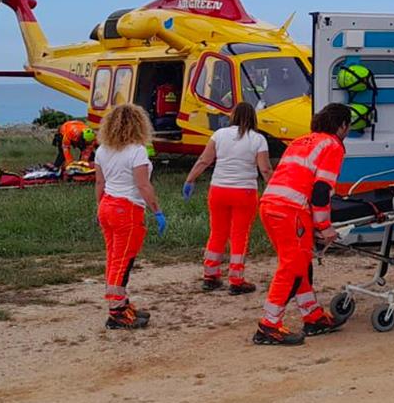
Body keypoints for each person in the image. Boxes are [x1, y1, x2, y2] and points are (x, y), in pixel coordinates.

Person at [251, 102, 352, 346]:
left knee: (299, 262)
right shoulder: (333, 146)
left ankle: (312, 315)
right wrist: (324, 226)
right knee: (292, 267)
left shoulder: (301, 141)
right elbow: (320, 190)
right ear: (342, 126)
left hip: (270, 204)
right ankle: (269, 325)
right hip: (291, 209)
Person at [181, 102, 272, 294]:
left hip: (218, 190)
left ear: (232, 116)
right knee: (239, 234)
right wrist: (273, 188)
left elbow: (204, 160)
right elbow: (264, 168)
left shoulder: (219, 135)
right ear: (253, 118)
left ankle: (210, 275)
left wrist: (190, 179)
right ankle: (236, 280)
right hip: (244, 192)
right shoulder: (257, 139)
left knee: (217, 232)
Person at [92, 103, 167, 330]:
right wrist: (157, 211)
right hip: (127, 208)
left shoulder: (102, 150)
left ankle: (121, 303)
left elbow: (99, 183)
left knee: (113, 256)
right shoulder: (137, 151)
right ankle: (116, 311)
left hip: (107, 204)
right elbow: (143, 185)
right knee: (123, 260)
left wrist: (100, 207)